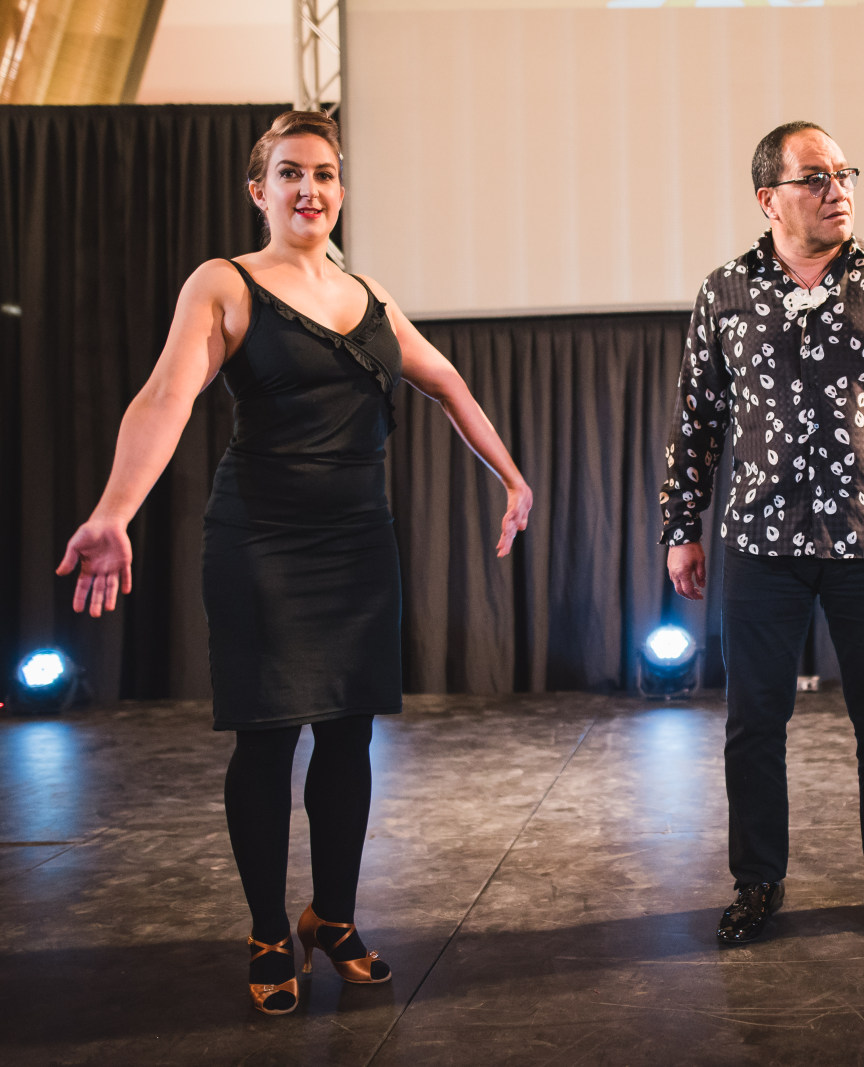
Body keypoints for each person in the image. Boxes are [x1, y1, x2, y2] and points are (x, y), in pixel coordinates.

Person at [55, 110, 532, 1015]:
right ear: (259, 191)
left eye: (323, 173)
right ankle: (270, 929)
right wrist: (113, 511)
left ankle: (334, 917)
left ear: (340, 190)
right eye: (290, 173)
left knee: (349, 735)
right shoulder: (224, 283)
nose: (309, 188)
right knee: (268, 736)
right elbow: (164, 398)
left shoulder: (369, 292)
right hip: (261, 539)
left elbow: (446, 382)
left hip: (358, 543)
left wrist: (511, 477)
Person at [661, 121, 864, 946]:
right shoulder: (725, 290)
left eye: (845, 174)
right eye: (816, 177)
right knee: (753, 725)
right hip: (759, 543)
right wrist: (681, 524)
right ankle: (757, 883)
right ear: (769, 199)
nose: (838, 189)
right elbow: (696, 419)